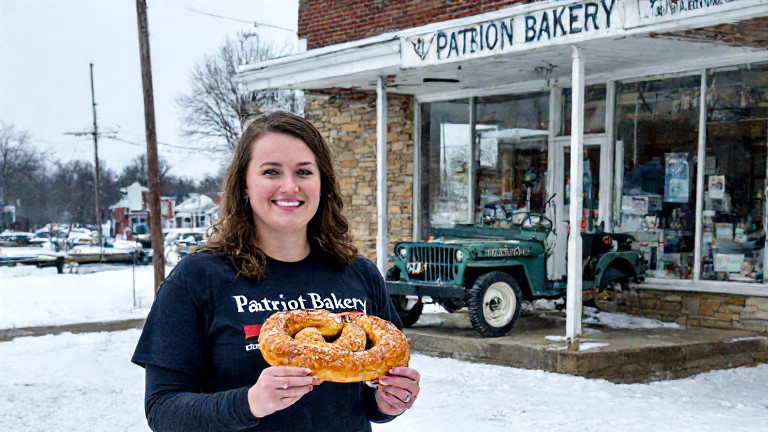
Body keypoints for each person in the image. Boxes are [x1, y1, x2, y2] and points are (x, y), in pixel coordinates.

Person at [131, 111, 421, 431]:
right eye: (271, 171)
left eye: (303, 172)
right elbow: (162, 409)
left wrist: (386, 402)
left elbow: (368, 395)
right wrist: (250, 403)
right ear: (243, 185)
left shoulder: (360, 274)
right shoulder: (197, 278)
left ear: (322, 183)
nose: (289, 185)